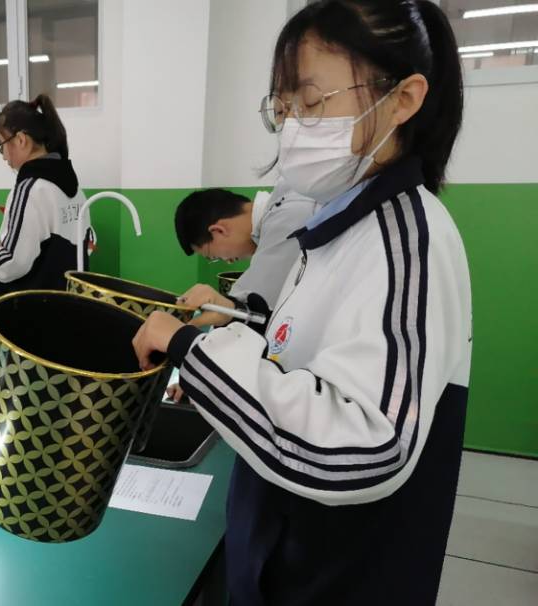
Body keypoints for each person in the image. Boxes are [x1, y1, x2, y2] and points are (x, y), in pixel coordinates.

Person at [133, 1, 471, 604]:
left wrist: (191, 349)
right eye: (283, 109)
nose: (292, 129)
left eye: (311, 102)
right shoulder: (338, 227)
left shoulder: (406, 240)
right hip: (286, 549)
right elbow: (303, 352)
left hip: (337, 577)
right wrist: (231, 334)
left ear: (403, 99)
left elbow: (370, 446)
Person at [167, 185, 315, 401]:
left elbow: (251, 310)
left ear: (218, 230)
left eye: (213, 256)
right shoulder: (284, 202)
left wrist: (201, 372)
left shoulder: (288, 218)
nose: (227, 260)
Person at [0, 94, 92, 297]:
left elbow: (10, 262)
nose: (4, 156)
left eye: (1, 146)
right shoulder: (75, 189)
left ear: (21, 140)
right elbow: (88, 244)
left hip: (33, 308)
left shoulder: (30, 189)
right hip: (70, 302)